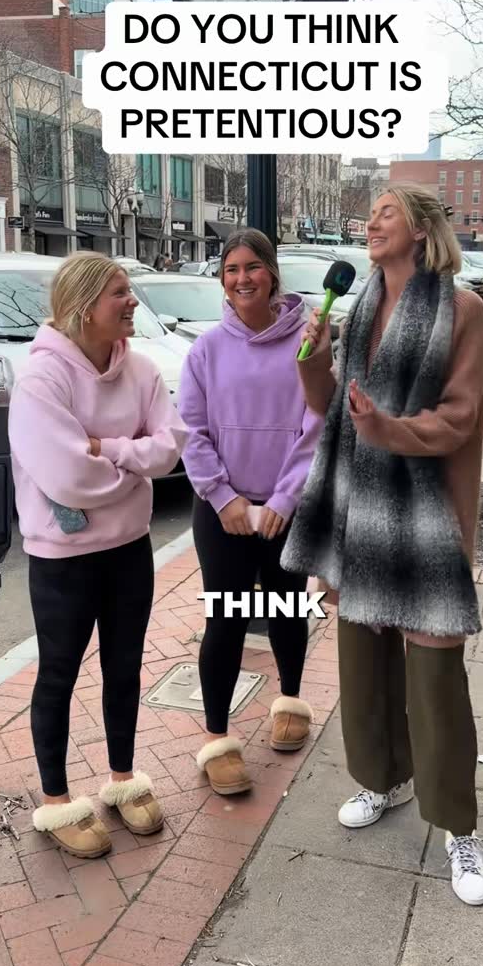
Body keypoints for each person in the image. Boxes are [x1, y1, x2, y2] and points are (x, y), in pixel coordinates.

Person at [282, 185, 483, 907]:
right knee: (363, 660)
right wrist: (314, 360)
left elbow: (460, 416)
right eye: (369, 214)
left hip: (424, 510)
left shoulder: (462, 310)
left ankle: (459, 827)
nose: (370, 222)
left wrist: (390, 431)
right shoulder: (360, 306)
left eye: (386, 212)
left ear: (422, 230)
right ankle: (382, 780)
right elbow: (329, 407)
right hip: (355, 504)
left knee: (435, 674)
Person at [8, 251, 187, 858]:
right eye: (120, 292)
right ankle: (57, 801)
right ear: (85, 307)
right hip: (62, 557)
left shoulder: (141, 369)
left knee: (125, 666)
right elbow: (66, 477)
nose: (132, 300)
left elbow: (169, 448)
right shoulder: (42, 380)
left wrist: (104, 448)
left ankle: (123, 778)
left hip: (128, 549)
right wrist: (131, 463)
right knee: (58, 672)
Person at [178, 229, 323, 795]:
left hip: (286, 510)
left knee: (287, 608)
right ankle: (218, 739)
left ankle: (290, 701)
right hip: (225, 515)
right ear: (222, 279)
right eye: (231, 269)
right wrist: (223, 498)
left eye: (253, 267)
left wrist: (284, 499)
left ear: (272, 272)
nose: (243, 279)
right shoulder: (206, 350)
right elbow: (191, 431)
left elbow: (316, 425)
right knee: (227, 619)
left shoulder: (307, 343)